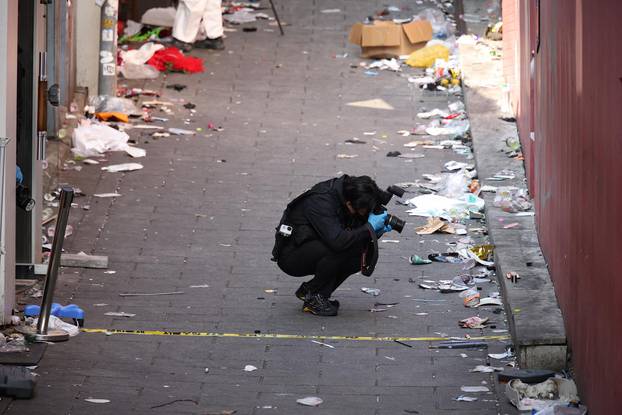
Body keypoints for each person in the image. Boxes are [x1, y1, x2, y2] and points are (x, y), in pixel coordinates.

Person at [272, 175, 393, 317]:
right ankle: (314, 298)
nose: (366, 214)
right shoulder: (321, 201)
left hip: (315, 245)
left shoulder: (348, 194)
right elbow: (338, 241)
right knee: (342, 247)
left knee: (359, 252)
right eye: (365, 210)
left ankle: (312, 292)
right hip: (292, 255)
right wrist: (369, 227)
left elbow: (353, 231)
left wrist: (375, 231)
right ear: (349, 204)